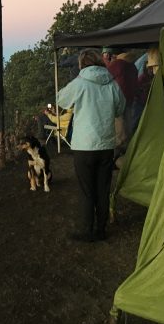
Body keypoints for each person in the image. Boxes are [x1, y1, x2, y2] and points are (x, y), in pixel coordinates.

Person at [56, 48, 125, 242]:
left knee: (87, 189)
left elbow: (61, 100)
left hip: (84, 146)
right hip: (105, 145)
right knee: (103, 188)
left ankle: (87, 230)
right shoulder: (112, 83)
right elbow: (120, 108)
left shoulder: (79, 83)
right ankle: (101, 230)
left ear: (81, 64)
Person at [101, 47, 138, 150]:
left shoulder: (118, 64)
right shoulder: (132, 65)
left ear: (113, 55)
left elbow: (104, 76)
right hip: (130, 100)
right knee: (128, 127)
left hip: (118, 101)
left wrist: (106, 62)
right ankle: (127, 151)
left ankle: (117, 155)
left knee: (119, 130)